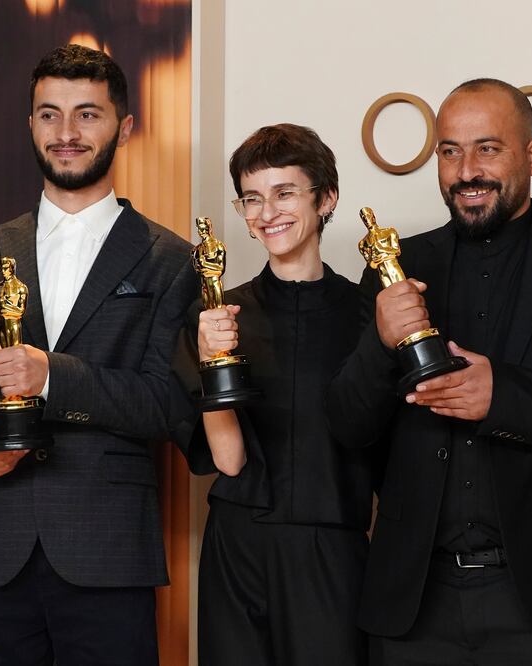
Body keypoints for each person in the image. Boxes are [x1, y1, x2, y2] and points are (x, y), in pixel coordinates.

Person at [0, 44, 197, 665]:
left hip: (108, 554)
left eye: (87, 114)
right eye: (50, 114)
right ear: (31, 124)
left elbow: (169, 405)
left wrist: (52, 377)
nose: (66, 132)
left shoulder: (172, 260)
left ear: (125, 126)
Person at [326, 78, 532, 665]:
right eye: (450, 151)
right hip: (413, 602)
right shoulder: (396, 266)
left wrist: (502, 396)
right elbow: (348, 426)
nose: (467, 171)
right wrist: (380, 344)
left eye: (488, 148)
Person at [184, 123, 375, 665]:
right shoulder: (217, 315)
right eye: (252, 198)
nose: (267, 212)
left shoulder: (367, 315)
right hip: (237, 546)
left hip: (332, 544)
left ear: (326, 198)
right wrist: (211, 358)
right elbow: (228, 459)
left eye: (284, 193)